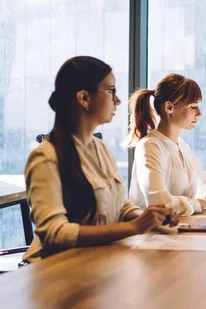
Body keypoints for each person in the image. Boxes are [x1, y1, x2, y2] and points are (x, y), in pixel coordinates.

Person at [24, 57, 178, 262]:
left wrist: (148, 217)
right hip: (56, 271)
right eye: (111, 91)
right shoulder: (45, 158)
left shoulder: (101, 149)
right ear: (84, 98)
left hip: (96, 261)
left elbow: (119, 205)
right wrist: (134, 227)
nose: (118, 101)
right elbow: (55, 234)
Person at [127, 74, 206, 216]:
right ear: (169, 107)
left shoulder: (181, 145)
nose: (199, 113)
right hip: (152, 235)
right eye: (193, 107)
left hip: (181, 228)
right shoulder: (149, 146)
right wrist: (201, 203)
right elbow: (159, 204)